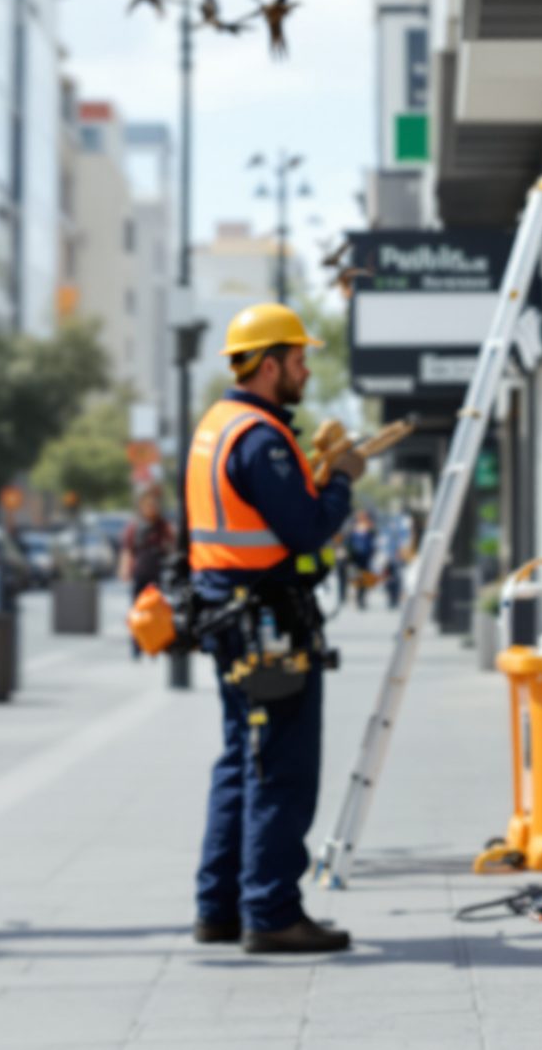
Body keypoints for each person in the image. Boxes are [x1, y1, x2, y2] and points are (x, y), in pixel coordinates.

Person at [185, 302, 360, 954]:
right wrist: (341, 479)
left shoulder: (217, 425)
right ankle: (271, 911)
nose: (306, 369)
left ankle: (220, 906)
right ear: (267, 364)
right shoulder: (259, 437)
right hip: (265, 620)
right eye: (298, 358)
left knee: (241, 759)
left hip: (231, 611)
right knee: (279, 765)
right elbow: (307, 528)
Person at [121, 486, 175, 660]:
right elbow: (128, 550)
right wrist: (125, 569)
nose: (151, 508)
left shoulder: (163, 527)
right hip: (141, 573)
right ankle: (137, 646)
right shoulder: (135, 527)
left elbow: (172, 547)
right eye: (148, 504)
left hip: (158, 574)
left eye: (154, 504)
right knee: (137, 612)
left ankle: (156, 644)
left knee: (158, 613)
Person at [340, 509, 377, 609]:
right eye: (360, 516)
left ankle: (361, 599)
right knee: (355, 578)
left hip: (365, 557)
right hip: (355, 558)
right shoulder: (352, 528)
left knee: (364, 579)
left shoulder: (370, 528)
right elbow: (347, 541)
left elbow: (373, 542)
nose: (362, 518)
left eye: (363, 516)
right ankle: (355, 598)